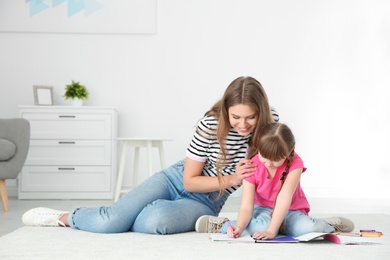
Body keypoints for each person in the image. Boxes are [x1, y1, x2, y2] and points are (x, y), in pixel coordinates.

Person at [22, 76, 279, 235]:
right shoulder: (210, 124)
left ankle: (193, 219)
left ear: (262, 112)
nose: (243, 124)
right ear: (226, 111)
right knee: (112, 222)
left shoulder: (270, 127)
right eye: (236, 117)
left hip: (207, 202)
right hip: (177, 179)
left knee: (155, 222)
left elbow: (276, 172)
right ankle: (64, 217)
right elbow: (190, 180)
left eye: (251, 117)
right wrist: (232, 179)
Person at [195, 123, 354, 240]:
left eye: (276, 160)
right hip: (263, 210)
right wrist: (241, 227)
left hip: (291, 210)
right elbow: (246, 205)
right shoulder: (252, 165)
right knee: (258, 227)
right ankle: (225, 224)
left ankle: (330, 225)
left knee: (308, 229)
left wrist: (272, 232)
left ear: (288, 152)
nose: (269, 164)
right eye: (265, 158)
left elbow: (284, 198)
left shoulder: (295, 163)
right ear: (258, 149)